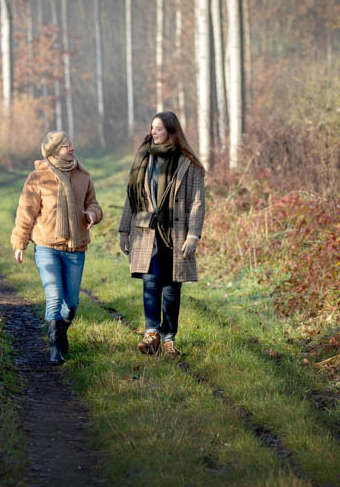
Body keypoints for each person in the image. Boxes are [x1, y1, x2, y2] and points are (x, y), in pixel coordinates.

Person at [118, 111, 205, 357]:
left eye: (158, 128)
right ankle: (152, 332)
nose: (152, 132)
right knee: (150, 280)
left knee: (171, 286)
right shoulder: (143, 159)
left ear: (170, 131)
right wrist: (124, 230)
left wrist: (193, 235)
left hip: (176, 233)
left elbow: (198, 202)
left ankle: (169, 338)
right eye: (152, 127)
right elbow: (131, 197)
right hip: (146, 231)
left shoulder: (188, 163)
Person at [11, 131, 103, 364]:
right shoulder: (38, 177)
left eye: (71, 143)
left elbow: (93, 203)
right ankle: (55, 350)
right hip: (47, 247)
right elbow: (25, 212)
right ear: (53, 151)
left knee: (71, 305)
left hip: (76, 248)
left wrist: (93, 213)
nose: (71, 147)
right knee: (54, 298)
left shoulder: (82, 175)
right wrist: (20, 243)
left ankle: (60, 334)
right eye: (65, 145)